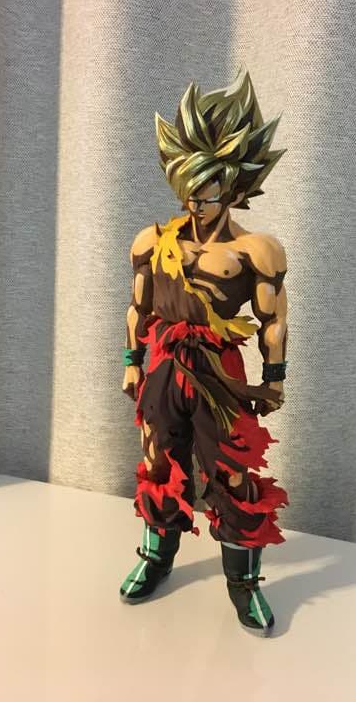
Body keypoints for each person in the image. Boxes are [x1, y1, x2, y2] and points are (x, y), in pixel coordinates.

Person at [119, 67, 289, 637]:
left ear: (233, 184)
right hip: (165, 363)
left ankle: (244, 584)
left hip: (220, 370)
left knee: (234, 470)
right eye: (189, 187)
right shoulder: (153, 241)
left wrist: (275, 379)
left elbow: (273, 319)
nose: (197, 200)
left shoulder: (254, 250)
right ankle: (156, 556)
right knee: (157, 459)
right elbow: (138, 308)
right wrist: (131, 363)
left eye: (209, 187)